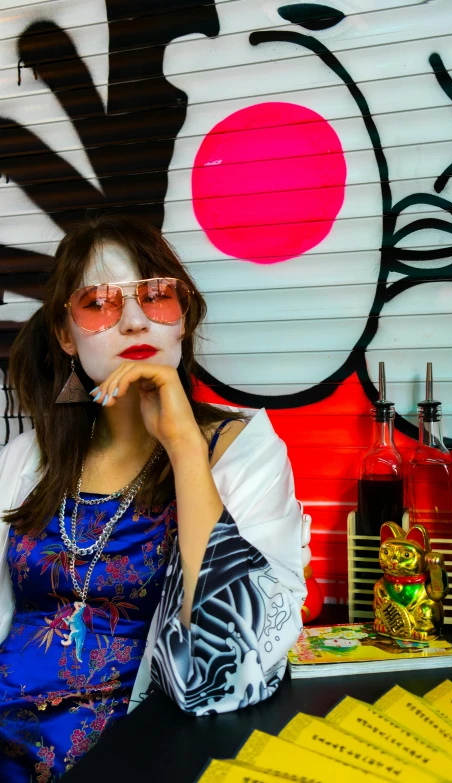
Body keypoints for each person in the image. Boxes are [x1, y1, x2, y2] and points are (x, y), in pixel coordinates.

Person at [0, 214, 306, 780]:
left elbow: (229, 670)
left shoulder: (240, 450)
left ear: (182, 322)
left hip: (128, 757)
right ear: (66, 335)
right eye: (100, 303)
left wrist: (185, 444)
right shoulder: (26, 461)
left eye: (158, 297)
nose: (137, 321)